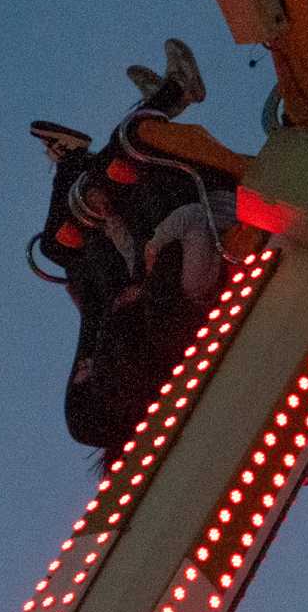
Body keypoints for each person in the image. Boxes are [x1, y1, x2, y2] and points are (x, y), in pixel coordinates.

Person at [27, 40, 237, 451]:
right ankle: (173, 93)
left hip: (150, 234)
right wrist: (148, 247)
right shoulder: (171, 319)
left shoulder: (117, 320)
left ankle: (74, 159)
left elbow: (120, 278)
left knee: (60, 245)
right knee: (128, 155)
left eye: (78, 374)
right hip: (190, 202)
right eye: (88, 376)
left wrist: (109, 223)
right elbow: (187, 226)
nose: (82, 368)